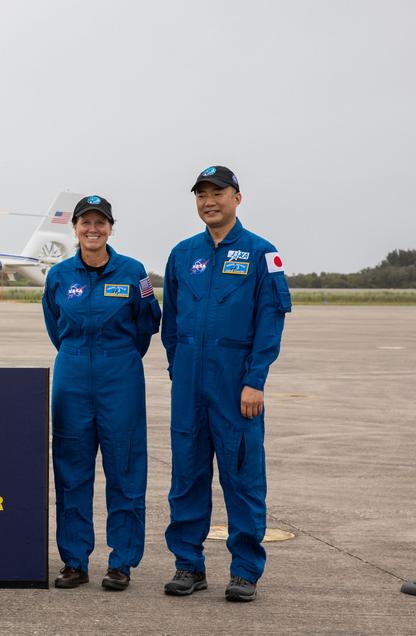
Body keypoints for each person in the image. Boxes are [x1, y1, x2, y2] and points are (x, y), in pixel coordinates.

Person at [161, 166, 291, 602]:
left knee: (242, 477)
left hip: (237, 386)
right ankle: (188, 565)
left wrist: (255, 380)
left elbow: (271, 320)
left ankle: (245, 571)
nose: (208, 201)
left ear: (238, 198)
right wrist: (178, 369)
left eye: (218, 193)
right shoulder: (182, 254)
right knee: (186, 477)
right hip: (189, 386)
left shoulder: (262, 253)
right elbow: (171, 321)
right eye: (201, 194)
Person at [43, 195, 161, 591]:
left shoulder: (133, 272)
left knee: (125, 469)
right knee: (71, 471)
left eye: (100, 222)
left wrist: (119, 355)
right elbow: (54, 326)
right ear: (74, 228)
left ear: (111, 227)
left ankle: (122, 563)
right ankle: (74, 560)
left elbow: (148, 323)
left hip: (120, 375)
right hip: (72, 375)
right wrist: (80, 355)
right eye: (85, 222)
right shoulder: (59, 275)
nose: (93, 229)